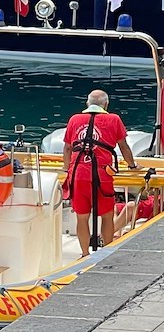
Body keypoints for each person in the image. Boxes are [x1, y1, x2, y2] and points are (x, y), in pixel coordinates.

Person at [63, 89, 140, 257]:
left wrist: (65, 169)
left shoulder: (74, 119)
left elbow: (68, 148)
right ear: (106, 104)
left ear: (87, 103)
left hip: (78, 173)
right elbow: (124, 146)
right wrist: (132, 166)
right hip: (102, 174)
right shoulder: (114, 119)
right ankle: (106, 253)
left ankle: (84, 253)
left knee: (81, 217)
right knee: (107, 215)